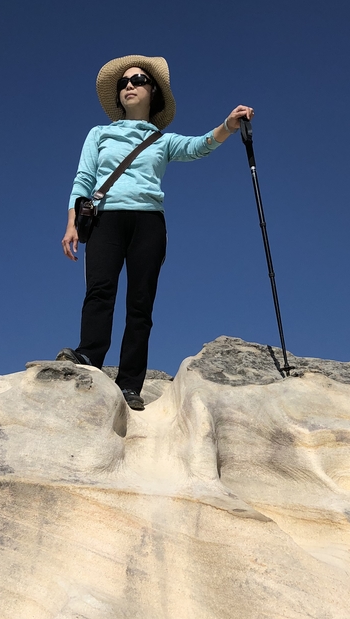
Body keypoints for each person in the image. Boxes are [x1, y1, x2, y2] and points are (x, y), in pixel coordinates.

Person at [60, 54, 254, 411]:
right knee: (99, 290)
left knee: (140, 303)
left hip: (149, 222)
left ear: (153, 92)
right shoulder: (99, 134)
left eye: (137, 81)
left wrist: (227, 125)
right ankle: (89, 357)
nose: (129, 86)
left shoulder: (162, 141)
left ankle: (130, 384)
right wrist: (72, 220)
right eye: (123, 83)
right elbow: (83, 179)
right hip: (105, 219)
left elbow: (198, 147)